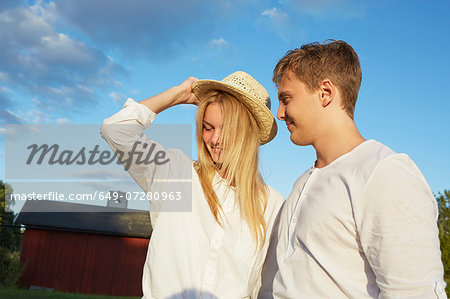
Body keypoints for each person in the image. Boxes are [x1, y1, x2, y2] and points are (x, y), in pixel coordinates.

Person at [258, 40, 447, 298]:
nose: (280, 113)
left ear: (325, 92)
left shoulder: (383, 172)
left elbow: (414, 292)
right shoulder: (302, 183)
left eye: (286, 99)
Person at [101, 71, 284, 299]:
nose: (215, 139)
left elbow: (266, 288)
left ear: (249, 133)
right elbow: (115, 130)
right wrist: (178, 94)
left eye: (226, 128)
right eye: (208, 127)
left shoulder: (273, 205)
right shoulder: (175, 172)